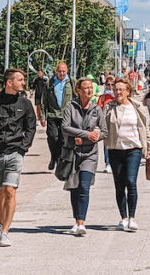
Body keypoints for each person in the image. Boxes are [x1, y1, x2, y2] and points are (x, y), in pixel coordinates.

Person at [0, 68, 37, 247]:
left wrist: (23, 147)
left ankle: (5, 232)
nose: (23, 82)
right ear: (9, 82)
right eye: (20, 79)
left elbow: (31, 127)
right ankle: (1, 223)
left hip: (15, 153)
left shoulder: (25, 104)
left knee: (10, 191)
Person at [104, 79, 150, 232]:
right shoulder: (109, 108)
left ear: (128, 91)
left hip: (134, 149)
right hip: (115, 150)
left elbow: (145, 128)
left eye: (120, 90)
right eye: (115, 89)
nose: (117, 92)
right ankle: (123, 218)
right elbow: (102, 127)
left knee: (131, 181)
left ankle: (132, 217)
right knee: (119, 184)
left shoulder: (136, 107)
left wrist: (148, 146)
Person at [61, 77, 105, 236]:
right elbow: (65, 127)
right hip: (72, 153)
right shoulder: (70, 107)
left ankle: (81, 223)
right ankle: (76, 220)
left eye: (90, 88)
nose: (89, 91)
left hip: (90, 154)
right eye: (85, 88)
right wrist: (87, 134)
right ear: (78, 90)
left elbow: (104, 131)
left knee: (84, 187)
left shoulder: (97, 109)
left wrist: (94, 137)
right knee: (74, 187)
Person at [39, 62, 73, 171]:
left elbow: (77, 98)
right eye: (59, 71)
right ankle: (53, 157)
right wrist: (42, 117)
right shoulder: (50, 83)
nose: (61, 73)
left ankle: (58, 158)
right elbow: (43, 101)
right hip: (52, 114)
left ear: (67, 71)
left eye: (63, 71)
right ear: (56, 71)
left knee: (63, 139)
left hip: (66, 115)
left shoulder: (71, 82)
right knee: (53, 137)